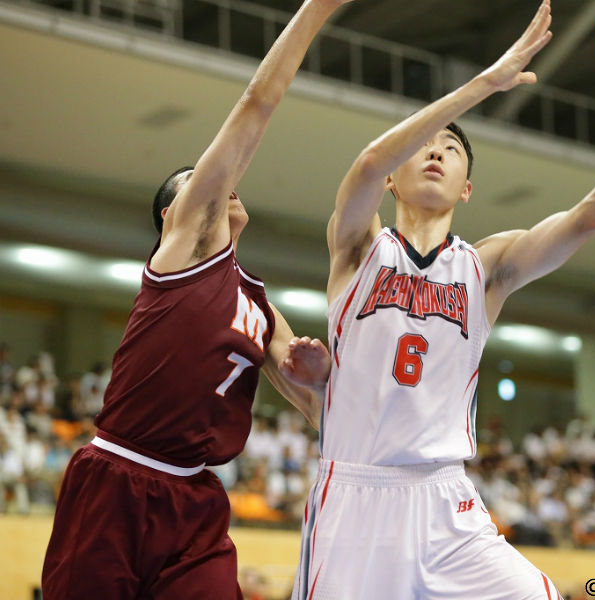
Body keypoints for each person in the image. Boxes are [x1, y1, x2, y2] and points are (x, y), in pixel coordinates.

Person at [293, 1, 595, 598]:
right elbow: (369, 161)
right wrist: (482, 86)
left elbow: (587, 218)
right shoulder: (357, 247)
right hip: (355, 493)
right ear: (395, 176)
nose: (438, 150)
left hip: (445, 499)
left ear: (466, 189)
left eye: (452, 148)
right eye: (425, 143)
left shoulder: (485, 267)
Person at [42, 0, 354, 597]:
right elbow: (255, 106)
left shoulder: (259, 304)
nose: (224, 183)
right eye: (201, 181)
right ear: (172, 214)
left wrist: (316, 373)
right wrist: (316, 11)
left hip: (194, 498)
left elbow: (318, 404)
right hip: (117, 480)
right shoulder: (183, 251)